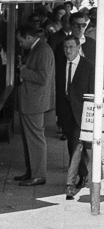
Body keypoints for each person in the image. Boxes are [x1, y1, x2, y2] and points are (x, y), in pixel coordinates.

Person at [15, 25, 56, 187]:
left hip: (35, 101)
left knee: (35, 139)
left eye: (20, 41)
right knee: (29, 139)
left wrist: (23, 71)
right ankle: (31, 171)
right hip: (30, 100)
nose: (20, 44)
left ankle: (38, 174)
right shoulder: (38, 49)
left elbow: (43, 77)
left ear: (29, 38)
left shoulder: (43, 50)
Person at [55, 35, 95, 199]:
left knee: (77, 146)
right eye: (66, 47)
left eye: (71, 47)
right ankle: (83, 173)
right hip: (66, 113)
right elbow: (58, 90)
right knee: (73, 146)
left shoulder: (88, 66)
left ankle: (70, 184)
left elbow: (92, 92)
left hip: (82, 113)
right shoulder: (60, 64)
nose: (68, 51)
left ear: (78, 47)